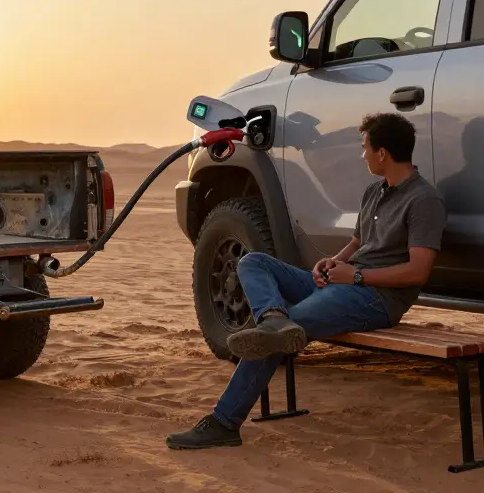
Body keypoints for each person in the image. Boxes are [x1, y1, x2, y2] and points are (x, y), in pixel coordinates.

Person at [166, 112, 447, 450]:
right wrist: (333, 263)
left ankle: (224, 422)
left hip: (377, 298)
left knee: (284, 330)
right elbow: (359, 242)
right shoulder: (375, 191)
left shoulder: (424, 200)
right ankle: (272, 317)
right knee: (254, 263)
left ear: (382, 153)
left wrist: (356, 275)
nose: (363, 155)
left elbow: (418, 271)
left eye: (365, 148)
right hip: (344, 283)